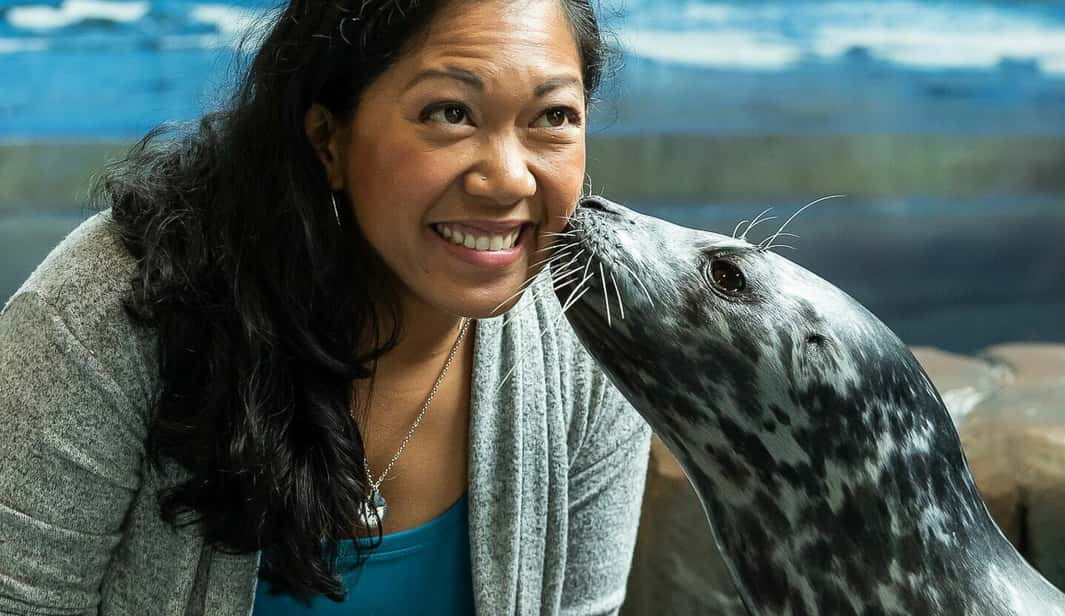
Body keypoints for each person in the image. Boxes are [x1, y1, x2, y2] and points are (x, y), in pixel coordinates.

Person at [0, 0, 652, 614]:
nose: (509, 178)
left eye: (552, 118)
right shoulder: (118, 304)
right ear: (327, 139)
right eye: (450, 113)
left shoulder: (594, 342)